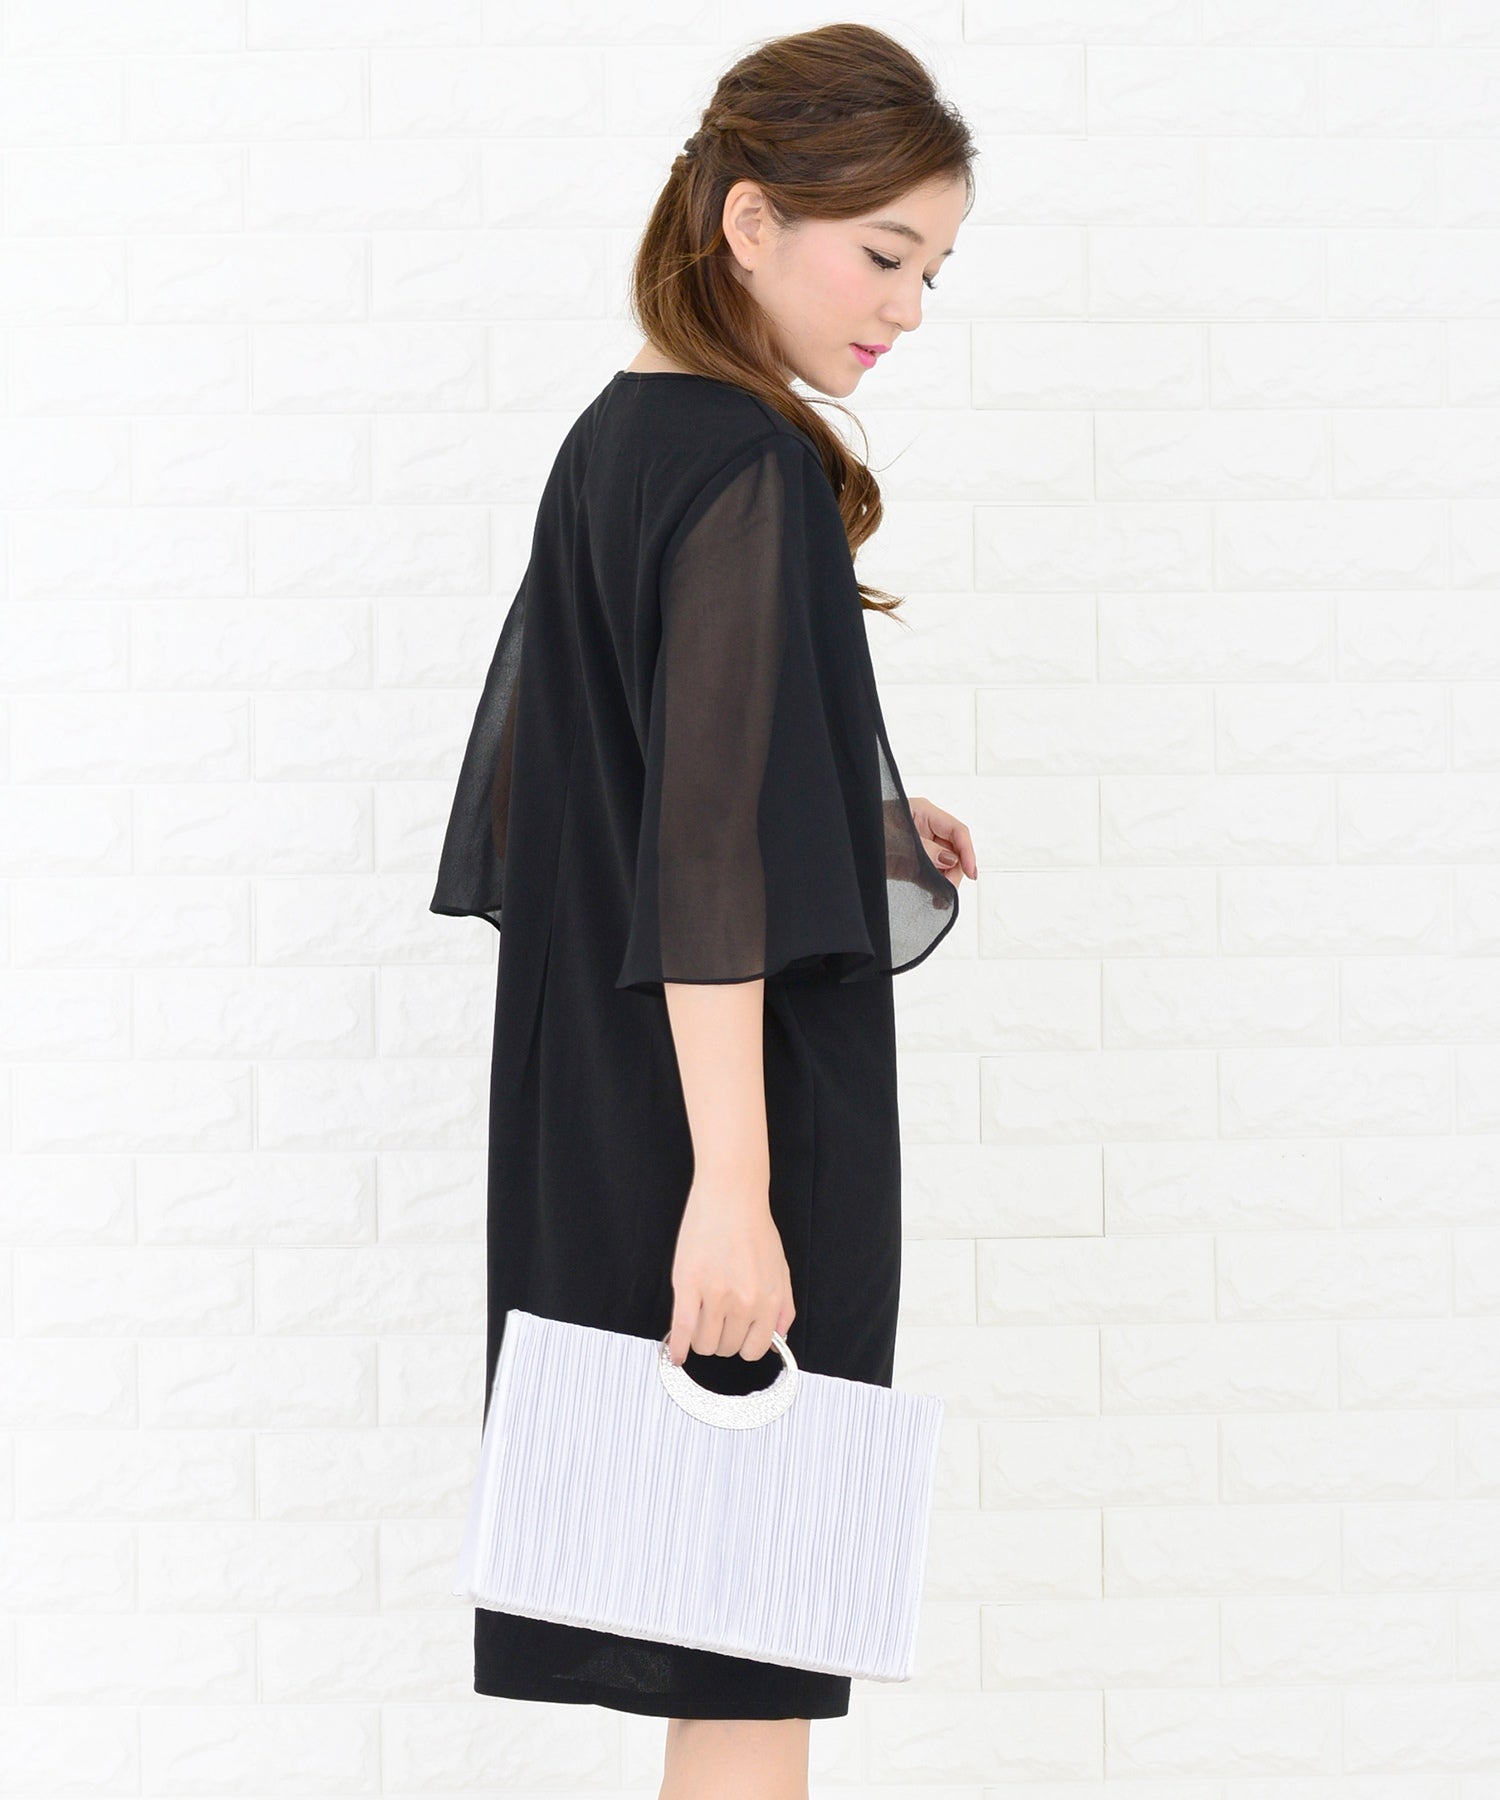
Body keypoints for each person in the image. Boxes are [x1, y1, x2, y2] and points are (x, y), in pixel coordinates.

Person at [428, 21, 980, 1800]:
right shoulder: (748, 467)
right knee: (749, 1678)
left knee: (725, 1646)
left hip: (604, 1106)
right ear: (751, 222)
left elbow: (595, 782)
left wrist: (853, 805)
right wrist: (733, 1196)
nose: (907, 307)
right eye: (882, 253)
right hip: (733, 1138)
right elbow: (701, 864)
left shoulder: (621, 438)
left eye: (932, 269)